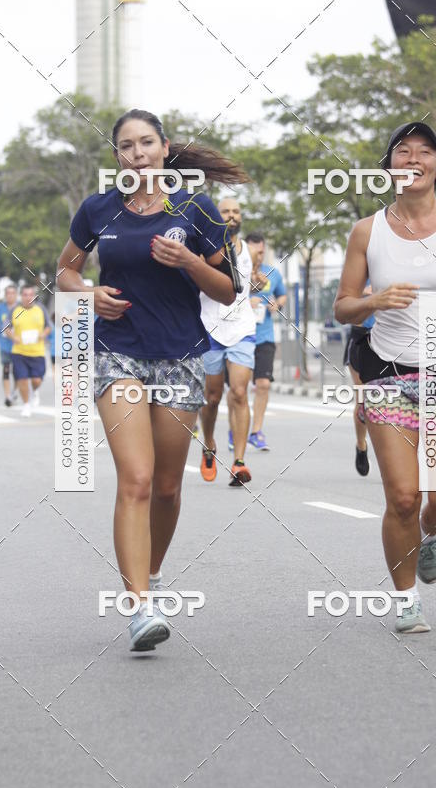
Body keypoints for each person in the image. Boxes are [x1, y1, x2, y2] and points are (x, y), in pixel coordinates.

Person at [56, 108, 248, 651]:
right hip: (118, 353)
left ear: (164, 149)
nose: (137, 153)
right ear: (116, 155)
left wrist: (188, 260)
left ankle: (154, 573)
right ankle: (138, 606)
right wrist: (88, 293)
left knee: (166, 485)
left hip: (179, 356)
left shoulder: (196, 208)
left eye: (146, 143)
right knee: (136, 479)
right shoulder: (99, 209)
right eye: (126, 146)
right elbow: (64, 270)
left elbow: (228, 289)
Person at [335, 121, 436, 634]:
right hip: (388, 373)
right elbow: (343, 307)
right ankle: (405, 600)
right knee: (403, 497)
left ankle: (429, 533)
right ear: (390, 169)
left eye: (425, 152)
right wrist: (373, 302)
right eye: (402, 151)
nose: (413, 158)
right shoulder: (367, 231)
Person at [199, 199, 255, 486]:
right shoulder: (202, 247)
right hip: (209, 328)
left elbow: (255, 280)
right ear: (215, 216)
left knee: (240, 392)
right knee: (211, 397)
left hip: (243, 329)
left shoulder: (250, 250)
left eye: (236, 212)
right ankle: (209, 443)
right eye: (225, 212)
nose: (231, 216)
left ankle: (240, 462)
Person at [245, 232, 287, 450]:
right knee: (237, 387)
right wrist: (244, 302)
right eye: (254, 251)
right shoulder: (237, 271)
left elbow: (282, 295)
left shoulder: (273, 273)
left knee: (262, 384)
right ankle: (237, 431)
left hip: (264, 337)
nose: (258, 255)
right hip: (240, 337)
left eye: (261, 251)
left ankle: (256, 431)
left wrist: (277, 305)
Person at [343, 285, 375, 475]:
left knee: (392, 402)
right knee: (364, 400)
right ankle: (361, 445)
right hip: (362, 336)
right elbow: (344, 302)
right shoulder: (360, 268)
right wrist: (364, 293)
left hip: (393, 337)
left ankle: (391, 459)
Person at [6, 285, 51, 417]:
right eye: (25, 295)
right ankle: (26, 405)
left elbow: (49, 327)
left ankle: (35, 391)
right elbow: (6, 328)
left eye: (30, 295)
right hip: (19, 352)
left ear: (34, 296)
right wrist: (13, 337)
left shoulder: (40, 309)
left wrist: (43, 334)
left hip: (37, 352)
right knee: (22, 379)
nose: (28, 297)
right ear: (21, 296)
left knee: (36, 380)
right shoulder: (15, 309)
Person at [0, 284, 19, 406]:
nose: (10, 295)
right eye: (8, 293)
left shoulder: (21, 307)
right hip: (5, 344)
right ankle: (7, 396)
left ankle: (15, 391)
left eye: (12, 293)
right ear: (5, 295)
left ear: (16, 295)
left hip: (18, 345)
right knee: (6, 370)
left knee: (17, 372)